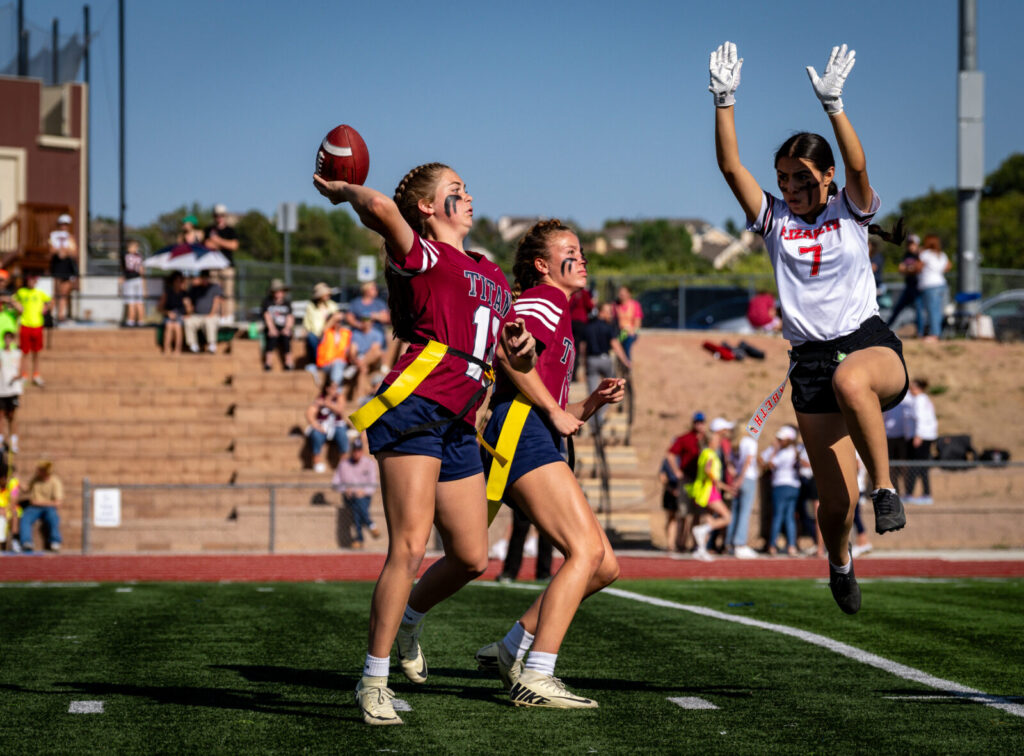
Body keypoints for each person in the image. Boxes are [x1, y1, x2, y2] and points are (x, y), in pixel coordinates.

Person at [313, 162, 536, 726]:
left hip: (462, 415)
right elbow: (384, 211)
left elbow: (516, 355)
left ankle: (410, 619)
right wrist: (345, 191)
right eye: (455, 191)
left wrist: (522, 347)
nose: (468, 195)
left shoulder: (486, 267)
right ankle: (373, 679)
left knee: (470, 556)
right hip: (416, 404)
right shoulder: (424, 253)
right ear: (429, 209)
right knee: (409, 547)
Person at [711, 41, 908, 612]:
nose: (791, 188)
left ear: (826, 176)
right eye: (783, 179)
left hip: (868, 346)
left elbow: (859, 166)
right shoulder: (774, 220)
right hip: (810, 363)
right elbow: (730, 167)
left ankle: (887, 489)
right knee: (833, 504)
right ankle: (841, 561)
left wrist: (835, 106)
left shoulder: (852, 207)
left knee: (853, 380)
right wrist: (725, 99)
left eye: (801, 178)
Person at [474, 219, 625, 709]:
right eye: (570, 251)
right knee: (585, 552)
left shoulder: (559, 307)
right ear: (543, 265)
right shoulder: (548, 298)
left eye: (582, 250)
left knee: (605, 566)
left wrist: (588, 404)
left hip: (530, 429)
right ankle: (537, 673)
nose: (582, 259)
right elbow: (510, 351)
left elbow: (552, 405)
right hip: (520, 429)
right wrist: (556, 405)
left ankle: (511, 648)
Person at [579, 301, 631, 429]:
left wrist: (583, 362)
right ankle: (599, 417)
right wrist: (625, 361)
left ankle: (592, 421)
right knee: (611, 388)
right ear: (601, 312)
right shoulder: (608, 328)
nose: (610, 315)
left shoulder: (588, 327)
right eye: (608, 311)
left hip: (591, 360)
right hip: (605, 359)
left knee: (592, 391)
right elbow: (615, 345)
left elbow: (583, 347)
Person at [689, 417, 734, 561]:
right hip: (710, 491)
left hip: (705, 491)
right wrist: (723, 485)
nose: (718, 442)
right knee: (727, 517)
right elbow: (709, 470)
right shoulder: (709, 453)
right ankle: (701, 531)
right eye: (716, 440)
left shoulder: (705, 452)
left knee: (708, 520)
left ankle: (701, 549)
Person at [664, 412, 707, 551]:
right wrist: (677, 471)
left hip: (700, 482)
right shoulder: (685, 438)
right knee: (683, 513)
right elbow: (670, 454)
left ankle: (695, 544)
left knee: (697, 515)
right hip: (687, 480)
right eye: (697, 422)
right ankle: (680, 543)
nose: (699, 425)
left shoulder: (707, 440)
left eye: (701, 422)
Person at [332, 437, 381, 548]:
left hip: (364, 497)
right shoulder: (343, 464)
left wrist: (363, 491)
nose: (356, 453)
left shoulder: (369, 463)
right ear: (351, 451)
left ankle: (359, 538)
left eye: (358, 450)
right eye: (354, 450)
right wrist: (345, 489)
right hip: (349, 497)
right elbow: (335, 483)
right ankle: (370, 525)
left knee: (357, 505)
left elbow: (372, 484)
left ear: (362, 451)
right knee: (356, 503)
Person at [724, 423, 759, 558]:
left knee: (736, 511)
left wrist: (735, 476)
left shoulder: (735, 444)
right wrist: (741, 478)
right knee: (744, 512)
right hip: (747, 479)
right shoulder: (749, 442)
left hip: (738, 478)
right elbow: (748, 462)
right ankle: (740, 544)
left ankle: (730, 543)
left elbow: (730, 463)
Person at [11, 273, 52, 387]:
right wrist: (17, 306)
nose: (32, 282)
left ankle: (36, 375)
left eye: (34, 280)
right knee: (24, 352)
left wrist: (45, 309)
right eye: (30, 279)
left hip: (37, 325)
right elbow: (12, 300)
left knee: (37, 352)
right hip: (25, 324)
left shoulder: (40, 293)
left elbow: (50, 301)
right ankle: (24, 375)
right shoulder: (22, 292)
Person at [497, 507, 553, 583]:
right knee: (519, 529)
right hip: (524, 499)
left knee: (546, 531)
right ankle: (509, 572)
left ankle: (544, 573)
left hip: (547, 499)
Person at [203, 204, 239, 321]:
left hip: (227, 266)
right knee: (214, 293)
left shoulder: (230, 230)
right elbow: (207, 244)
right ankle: (217, 315)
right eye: (217, 215)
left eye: (222, 215)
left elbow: (234, 245)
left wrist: (218, 241)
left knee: (228, 293)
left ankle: (228, 315)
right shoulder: (209, 230)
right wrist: (223, 244)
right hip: (213, 266)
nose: (219, 217)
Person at [905, 378, 937, 504]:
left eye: (912, 387)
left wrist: (918, 435)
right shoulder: (924, 399)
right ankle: (925, 493)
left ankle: (911, 493)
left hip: (921, 437)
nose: (910, 390)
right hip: (927, 435)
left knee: (916, 465)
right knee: (922, 466)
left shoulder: (919, 400)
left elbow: (921, 419)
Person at [304, 380, 348, 473]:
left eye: (336, 387)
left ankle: (344, 462)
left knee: (342, 434)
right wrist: (316, 425)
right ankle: (317, 462)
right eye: (332, 388)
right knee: (316, 434)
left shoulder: (339, 397)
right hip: (323, 425)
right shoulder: (320, 398)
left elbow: (340, 410)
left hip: (337, 424)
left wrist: (327, 404)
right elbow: (309, 413)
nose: (335, 390)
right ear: (327, 389)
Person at [19, 460, 63, 552]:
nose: (37, 471)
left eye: (40, 469)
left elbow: (58, 502)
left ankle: (55, 541)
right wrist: (16, 480)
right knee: (25, 517)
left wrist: (38, 502)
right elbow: (26, 488)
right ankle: (27, 542)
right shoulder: (36, 479)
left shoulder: (55, 481)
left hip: (48, 508)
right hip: (34, 508)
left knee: (53, 517)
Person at [917, 235, 951, 342]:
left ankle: (935, 335)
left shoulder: (925, 254)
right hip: (942, 284)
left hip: (930, 285)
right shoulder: (942, 255)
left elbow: (918, 267)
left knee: (932, 311)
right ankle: (938, 333)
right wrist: (938, 271)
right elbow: (948, 266)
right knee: (939, 311)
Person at [886, 234, 922, 332]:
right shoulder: (907, 255)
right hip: (908, 286)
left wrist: (909, 269)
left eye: (912, 244)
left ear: (917, 244)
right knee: (897, 309)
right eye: (909, 244)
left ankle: (921, 332)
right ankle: (887, 328)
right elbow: (901, 269)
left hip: (918, 287)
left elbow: (918, 269)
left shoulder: (920, 254)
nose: (910, 246)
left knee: (919, 310)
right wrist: (910, 269)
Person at [184, 271, 224, 354]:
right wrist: (188, 312)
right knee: (188, 322)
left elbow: (217, 301)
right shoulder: (195, 289)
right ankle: (193, 346)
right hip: (197, 315)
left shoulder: (214, 287)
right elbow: (190, 304)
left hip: (211, 315)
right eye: (203, 277)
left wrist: (211, 314)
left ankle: (211, 345)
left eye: (206, 277)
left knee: (209, 321)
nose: (205, 279)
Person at [48, 213, 79, 323]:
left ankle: (61, 315)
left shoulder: (71, 238)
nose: (64, 227)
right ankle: (50, 314)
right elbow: (51, 251)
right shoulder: (53, 236)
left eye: (66, 224)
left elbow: (75, 252)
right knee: (56, 291)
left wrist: (66, 251)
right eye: (62, 224)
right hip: (57, 266)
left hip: (67, 266)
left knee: (64, 292)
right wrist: (59, 251)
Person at [301, 282, 338, 370]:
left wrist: (325, 330)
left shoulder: (332, 305)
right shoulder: (311, 306)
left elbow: (336, 318)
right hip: (316, 334)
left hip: (329, 333)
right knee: (311, 338)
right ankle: (318, 362)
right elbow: (307, 323)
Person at [261, 279, 295, 371]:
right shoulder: (267, 302)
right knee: (271, 338)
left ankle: (289, 363)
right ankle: (268, 364)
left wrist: (287, 328)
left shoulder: (287, 303)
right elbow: (266, 315)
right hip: (272, 327)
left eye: (280, 291)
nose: (279, 293)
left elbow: (290, 317)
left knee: (286, 339)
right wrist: (271, 329)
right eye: (277, 291)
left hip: (284, 327)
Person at [315, 311, 352, 388]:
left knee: (338, 364)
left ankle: (334, 388)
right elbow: (323, 331)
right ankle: (335, 390)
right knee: (338, 366)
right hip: (326, 364)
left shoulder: (347, 333)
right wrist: (334, 318)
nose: (338, 323)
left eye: (340, 321)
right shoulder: (326, 332)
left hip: (342, 363)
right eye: (336, 321)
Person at [0, 330, 23, 453]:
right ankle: (1, 441)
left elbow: (21, 370)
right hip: (2, 389)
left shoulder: (17, 353)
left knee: (12, 416)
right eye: (6, 338)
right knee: (1, 415)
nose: (8, 340)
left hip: (13, 389)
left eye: (10, 338)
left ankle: (14, 442)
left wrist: (17, 377)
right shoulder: (0, 353)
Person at [568, 286, 594, 381]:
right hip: (581, 322)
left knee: (573, 348)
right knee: (579, 349)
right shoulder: (584, 292)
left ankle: (572, 374)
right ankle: (575, 375)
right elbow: (590, 306)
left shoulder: (572, 291)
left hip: (571, 321)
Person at [158, 272, 187, 354]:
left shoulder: (184, 294)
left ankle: (177, 350)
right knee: (169, 325)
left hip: (180, 317)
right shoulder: (167, 293)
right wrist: (168, 313)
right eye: (177, 281)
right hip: (168, 316)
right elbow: (160, 308)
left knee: (177, 326)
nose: (179, 283)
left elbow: (189, 311)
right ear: (173, 282)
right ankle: (167, 349)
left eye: (181, 281)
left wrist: (188, 306)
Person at [120, 239, 146, 327]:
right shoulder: (139, 256)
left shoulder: (126, 255)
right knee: (139, 301)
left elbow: (123, 268)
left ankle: (131, 320)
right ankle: (140, 321)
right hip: (137, 279)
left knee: (131, 302)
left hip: (130, 280)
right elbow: (142, 270)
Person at [614, 285, 642, 359]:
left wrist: (633, 331)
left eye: (624, 293)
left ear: (629, 294)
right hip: (618, 331)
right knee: (616, 345)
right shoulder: (615, 305)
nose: (621, 295)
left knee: (626, 345)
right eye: (620, 293)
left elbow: (638, 322)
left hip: (630, 332)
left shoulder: (635, 305)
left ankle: (626, 365)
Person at [0, 462, 20, 551]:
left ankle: (15, 540)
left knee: (14, 514)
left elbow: (13, 500)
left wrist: (7, 510)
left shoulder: (13, 483)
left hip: (9, 510)